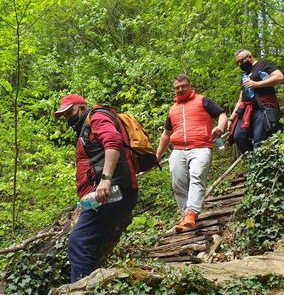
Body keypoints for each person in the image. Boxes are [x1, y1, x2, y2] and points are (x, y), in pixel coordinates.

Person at [54, 94, 138, 283]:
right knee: (88, 245)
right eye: (64, 115)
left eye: (70, 112)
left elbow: (113, 142)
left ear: (81, 108)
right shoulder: (86, 126)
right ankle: (90, 291)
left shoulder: (97, 117)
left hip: (111, 192)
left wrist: (106, 179)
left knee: (79, 242)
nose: (68, 118)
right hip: (106, 194)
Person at [156, 74, 227, 231]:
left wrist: (221, 127)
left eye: (183, 86)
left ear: (190, 85)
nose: (180, 89)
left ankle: (191, 213)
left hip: (201, 147)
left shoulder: (203, 101)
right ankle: (185, 217)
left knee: (196, 177)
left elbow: (221, 114)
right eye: (177, 87)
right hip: (178, 150)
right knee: (178, 183)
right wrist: (158, 155)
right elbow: (166, 134)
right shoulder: (172, 109)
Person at [228, 49, 284, 154]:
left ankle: (259, 163)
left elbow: (280, 77)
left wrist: (257, 84)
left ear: (249, 56)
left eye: (241, 61)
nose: (240, 64)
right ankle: (254, 161)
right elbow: (240, 99)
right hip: (247, 110)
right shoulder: (244, 76)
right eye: (238, 63)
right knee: (238, 136)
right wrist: (231, 119)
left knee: (259, 138)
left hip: (262, 107)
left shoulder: (264, 64)